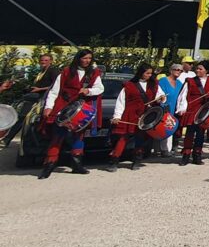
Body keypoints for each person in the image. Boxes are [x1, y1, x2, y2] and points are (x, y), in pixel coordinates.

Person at [40, 49, 104, 179]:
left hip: (80, 108)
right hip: (63, 106)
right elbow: (54, 91)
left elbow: (100, 88)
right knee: (58, 136)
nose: (87, 61)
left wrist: (88, 90)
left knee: (78, 136)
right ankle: (49, 165)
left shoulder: (94, 73)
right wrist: (48, 107)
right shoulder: (66, 72)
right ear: (78, 58)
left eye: (89, 58)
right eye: (84, 58)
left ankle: (76, 165)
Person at [110, 63, 166, 170]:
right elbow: (121, 102)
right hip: (130, 114)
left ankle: (136, 160)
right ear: (141, 73)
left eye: (150, 73)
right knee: (123, 138)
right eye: (147, 73)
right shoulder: (129, 85)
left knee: (140, 138)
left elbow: (161, 96)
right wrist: (117, 116)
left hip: (145, 115)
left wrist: (161, 98)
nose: (149, 75)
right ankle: (114, 160)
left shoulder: (154, 84)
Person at [3, 52, 59, 148]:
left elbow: (55, 86)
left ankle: (8, 139)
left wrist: (39, 89)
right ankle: (7, 139)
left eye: (46, 60)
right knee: (22, 117)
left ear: (51, 61)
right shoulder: (41, 72)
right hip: (35, 96)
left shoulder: (53, 71)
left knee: (23, 117)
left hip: (42, 99)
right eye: (42, 60)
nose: (43, 62)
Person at [176, 62, 209, 164]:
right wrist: (182, 108)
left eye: (200, 69)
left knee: (200, 133)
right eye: (197, 69)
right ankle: (186, 154)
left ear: (206, 71)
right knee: (189, 133)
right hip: (192, 110)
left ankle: (197, 155)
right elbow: (183, 96)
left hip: (205, 111)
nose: (197, 70)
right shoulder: (190, 81)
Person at [157, 64, 185, 157]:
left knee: (171, 128)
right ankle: (164, 149)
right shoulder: (163, 81)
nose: (178, 72)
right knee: (164, 128)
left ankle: (167, 149)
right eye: (176, 69)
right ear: (171, 70)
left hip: (175, 109)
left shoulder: (180, 83)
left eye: (181, 70)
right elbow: (159, 95)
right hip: (164, 108)